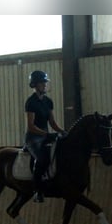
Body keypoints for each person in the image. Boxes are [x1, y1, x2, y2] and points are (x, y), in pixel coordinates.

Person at [24, 70, 65, 203]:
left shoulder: (48, 101)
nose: (45, 85)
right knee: (42, 158)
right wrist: (46, 134)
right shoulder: (31, 102)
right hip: (33, 138)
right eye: (42, 83)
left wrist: (62, 131)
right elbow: (31, 126)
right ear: (35, 85)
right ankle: (37, 190)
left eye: (45, 83)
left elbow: (52, 122)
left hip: (46, 136)